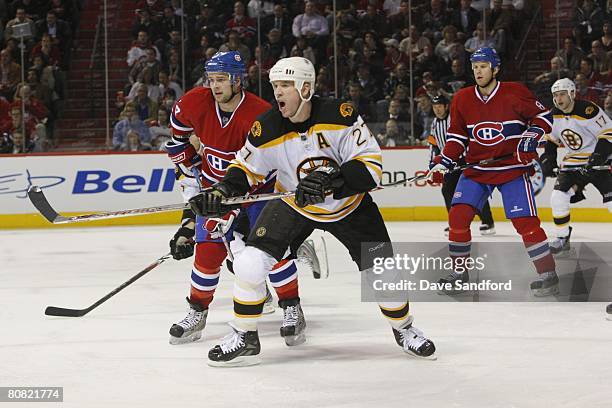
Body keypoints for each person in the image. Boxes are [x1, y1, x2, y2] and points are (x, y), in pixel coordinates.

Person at [190, 56, 437, 367]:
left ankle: (405, 329)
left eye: (285, 86)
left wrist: (334, 179)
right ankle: (244, 335)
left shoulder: (340, 115)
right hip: (294, 205)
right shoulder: (266, 127)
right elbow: (245, 169)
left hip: (350, 207)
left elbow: (371, 166)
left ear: (305, 88)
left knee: (384, 274)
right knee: (249, 263)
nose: (278, 93)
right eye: (275, 86)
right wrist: (222, 191)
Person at [165, 51, 318, 345]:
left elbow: (275, 161)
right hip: (215, 192)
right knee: (207, 253)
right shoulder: (193, 103)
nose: (215, 86)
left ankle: (291, 308)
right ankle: (197, 313)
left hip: (258, 193)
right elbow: (178, 146)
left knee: (270, 252)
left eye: (221, 79)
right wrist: (193, 202)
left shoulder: (261, 114)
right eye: (211, 79)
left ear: (238, 80)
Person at [429, 47, 557, 297]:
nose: (478, 71)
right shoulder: (462, 98)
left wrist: (531, 135)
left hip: (512, 169)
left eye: (483, 66)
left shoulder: (515, 92)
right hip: (476, 170)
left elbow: (544, 116)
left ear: (495, 68)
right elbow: (456, 137)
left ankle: (547, 274)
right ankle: (459, 273)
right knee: (457, 218)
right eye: (475, 66)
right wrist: (443, 161)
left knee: (526, 223)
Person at [539, 78, 611, 256]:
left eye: (562, 94)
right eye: (555, 95)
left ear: (572, 93)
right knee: (558, 197)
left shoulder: (589, 110)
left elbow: (608, 133)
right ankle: (562, 237)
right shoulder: (553, 114)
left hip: (598, 160)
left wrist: (598, 157)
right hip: (573, 162)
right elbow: (551, 140)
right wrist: (548, 158)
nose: (558, 99)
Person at [427, 94, 495, 236]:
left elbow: (468, 138)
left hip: (464, 160)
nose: (437, 110)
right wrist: (432, 163)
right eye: (434, 107)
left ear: (446, 106)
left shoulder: (455, 119)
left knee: (475, 189)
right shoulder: (434, 123)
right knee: (447, 191)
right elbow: (433, 144)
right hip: (447, 163)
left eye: (439, 106)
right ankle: (455, 222)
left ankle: (488, 221)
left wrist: (473, 157)